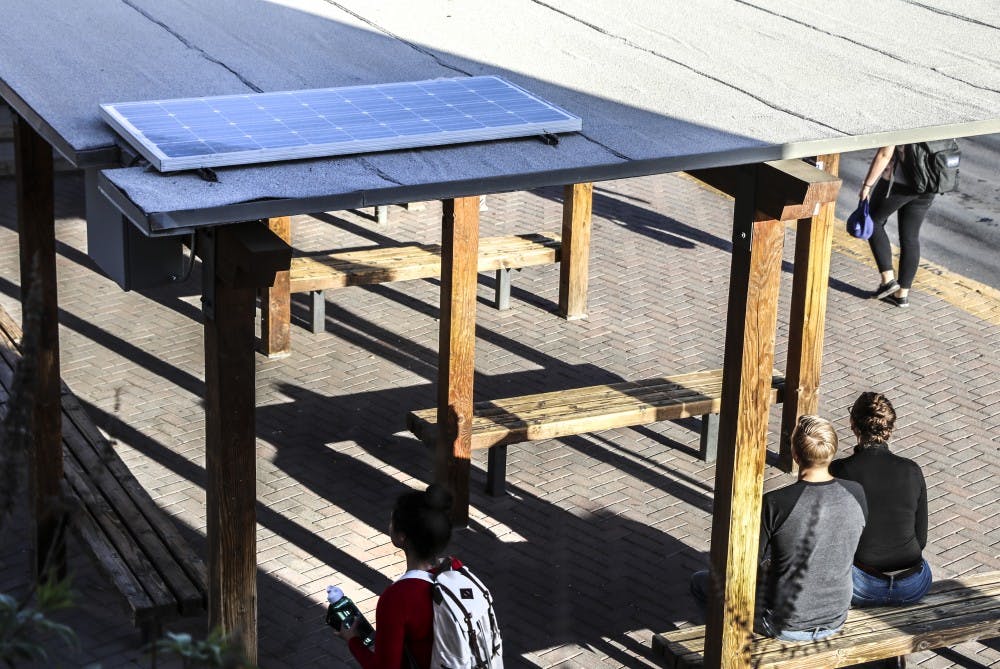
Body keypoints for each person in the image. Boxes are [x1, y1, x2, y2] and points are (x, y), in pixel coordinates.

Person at [690, 415, 867, 641]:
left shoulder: (775, 503)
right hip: (835, 617)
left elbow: (749, 566)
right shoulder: (856, 493)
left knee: (701, 583)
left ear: (795, 454)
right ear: (831, 452)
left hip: (783, 623)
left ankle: (726, 648)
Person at [335, 484, 458, 669]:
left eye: (392, 521)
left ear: (402, 537)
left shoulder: (397, 599)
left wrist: (352, 640)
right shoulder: (456, 569)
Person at [830, 392, 931, 606]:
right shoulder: (912, 470)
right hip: (913, 584)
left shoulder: (840, 470)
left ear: (853, 425)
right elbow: (920, 539)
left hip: (863, 585)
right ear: (890, 429)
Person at [859, 145, 938, 308]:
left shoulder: (904, 119)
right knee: (910, 237)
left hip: (899, 183)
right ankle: (901, 295)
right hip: (930, 182)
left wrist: (867, 186)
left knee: (873, 220)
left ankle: (888, 281)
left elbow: (884, 154)